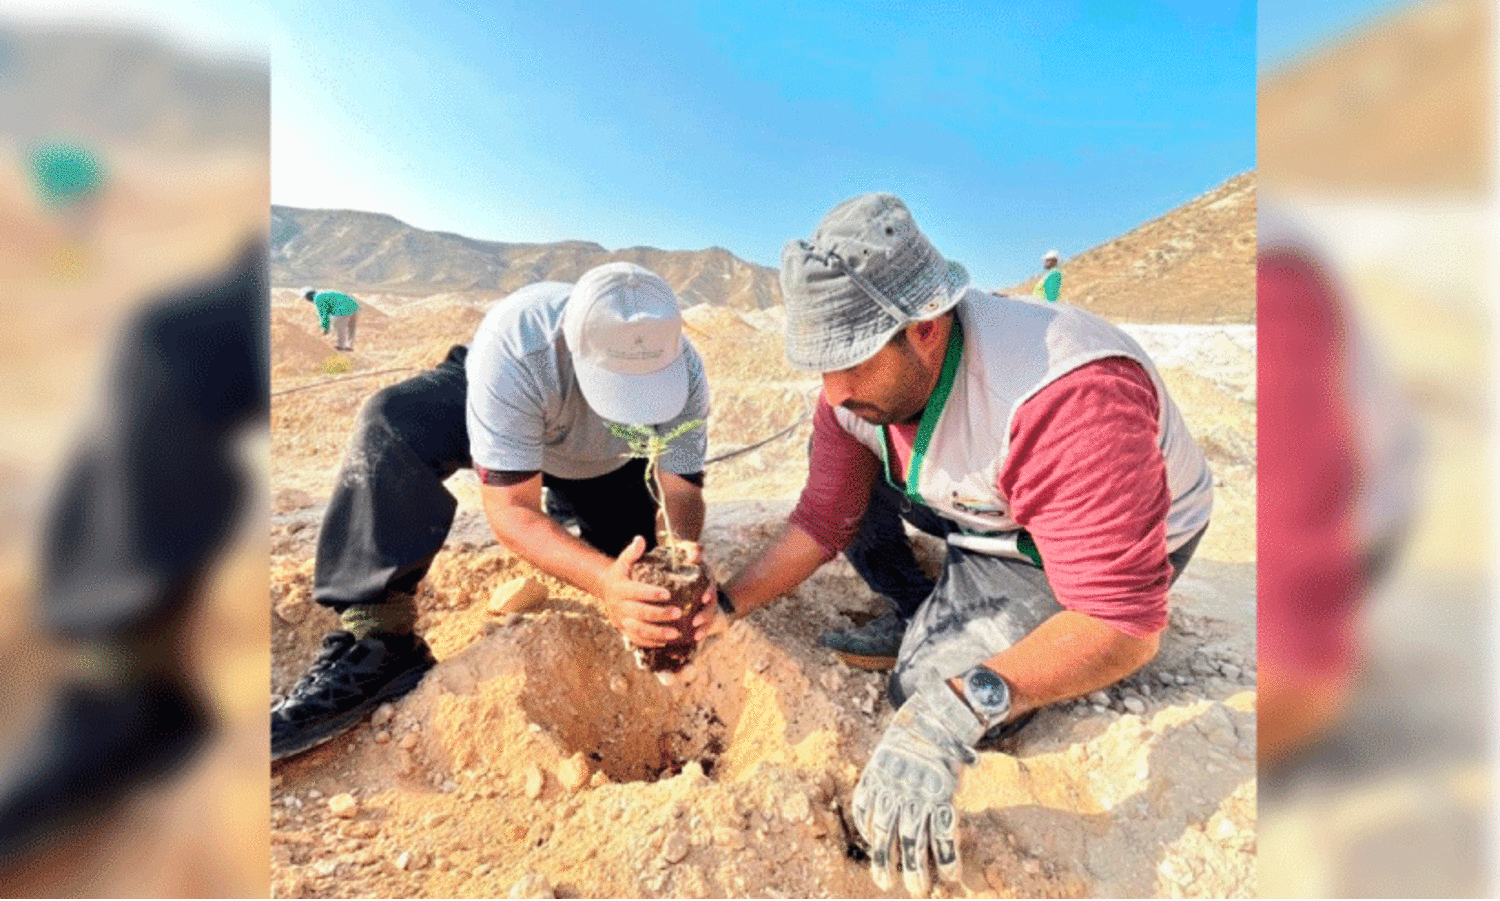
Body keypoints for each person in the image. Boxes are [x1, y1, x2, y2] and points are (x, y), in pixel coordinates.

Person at [691, 194, 1213, 895]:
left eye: (851, 361)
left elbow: (1122, 620)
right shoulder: (855, 396)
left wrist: (960, 705)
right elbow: (823, 517)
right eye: (821, 366)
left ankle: (983, 630)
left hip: (1054, 538)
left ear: (927, 326)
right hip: (983, 506)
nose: (835, 391)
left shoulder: (1064, 397)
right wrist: (724, 603)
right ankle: (923, 604)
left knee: (923, 689)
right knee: (858, 481)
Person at [272, 262, 714, 762]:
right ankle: (377, 634)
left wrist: (683, 554)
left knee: (637, 564)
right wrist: (603, 584)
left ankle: (574, 507)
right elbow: (510, 511)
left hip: (606, 461)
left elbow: (680, 488)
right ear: (572, 346)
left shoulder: (685, 370)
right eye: (620, 391)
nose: (633, 408)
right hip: (512, 399)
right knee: (392, 424)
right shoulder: (519, 349)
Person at [303, 286, 360, 352]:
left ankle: (341, 347)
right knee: (351, 328)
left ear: (308, 296)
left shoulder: (318, 299)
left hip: (342, 309)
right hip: (353, 307)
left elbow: (324, 314)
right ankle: (349, 346)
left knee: (339, 327)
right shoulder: (322, 294)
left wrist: (325, 328)